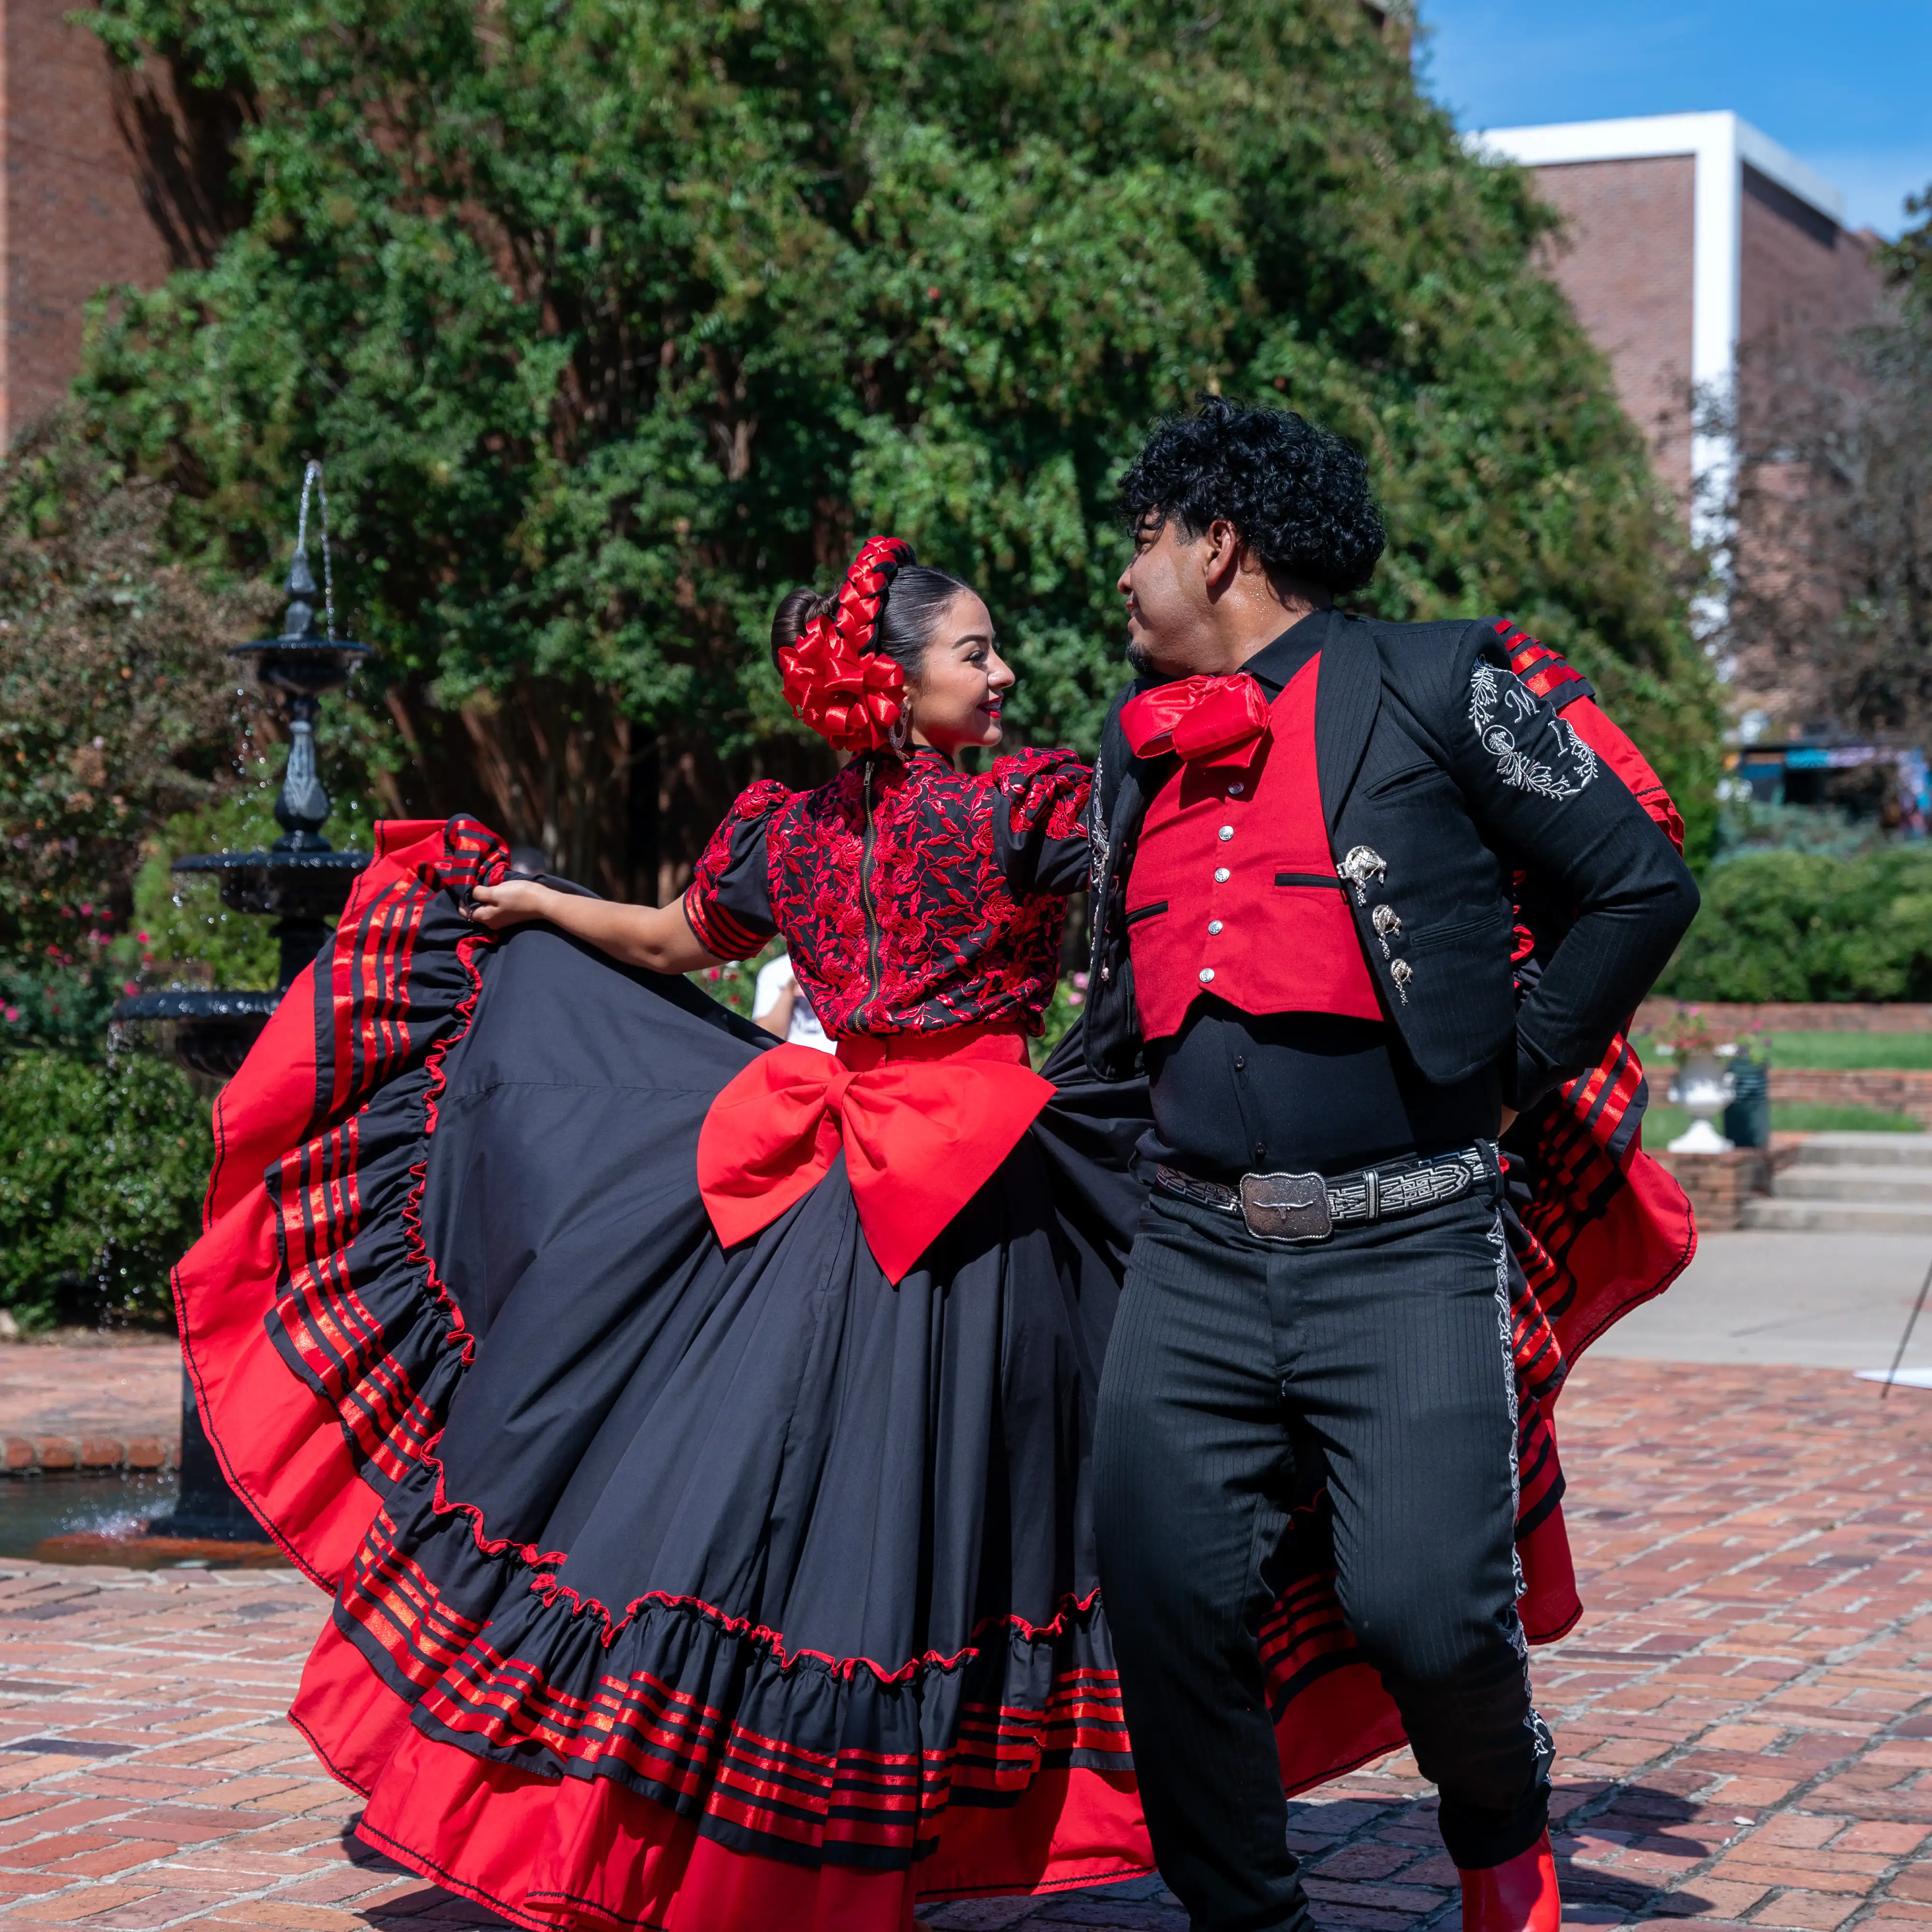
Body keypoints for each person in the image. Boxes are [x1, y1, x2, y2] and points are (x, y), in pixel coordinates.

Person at [173, 538, 1157, 1932]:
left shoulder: (792, 830)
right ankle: (867, 1837)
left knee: (791, 1503)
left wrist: (537, 903)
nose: (1004, 676)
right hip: (967, 1195)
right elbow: (1155, 889)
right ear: (895, 680)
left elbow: (664, 939)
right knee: (935, 1509)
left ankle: (735, 1830)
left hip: (851, 1187)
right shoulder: (1032, 805)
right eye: (976, 653)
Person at [1080, 399, 1702, 1932]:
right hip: (1192, 1250)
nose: (1123, 577)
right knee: (1163, 1607)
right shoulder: (1129, 741)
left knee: (1429, 1614)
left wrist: (1509, 1070)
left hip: (1409, 1236)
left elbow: (1632, 883)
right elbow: (1114, 1004)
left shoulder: (1433, 679)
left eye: (1140, 541)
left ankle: (1498, 1819)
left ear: (1216, 542)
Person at [751, 949, 834, 1050]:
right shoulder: (773, 972)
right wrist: (789, 989)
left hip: (837, 1062)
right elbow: (766, 1037)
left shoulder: (847, 965)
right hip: (791, 1060)